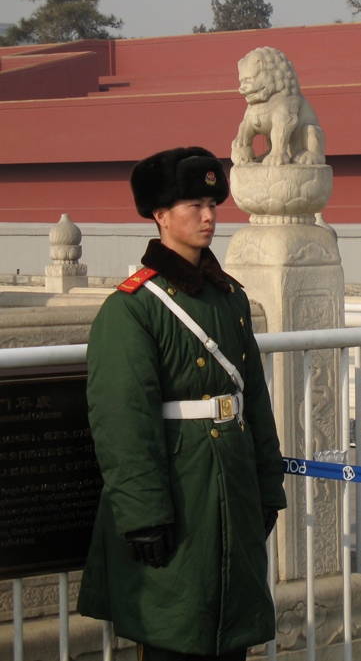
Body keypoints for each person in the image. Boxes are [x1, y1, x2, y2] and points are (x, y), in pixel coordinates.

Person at [77, 146, 287, 661]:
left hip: (231, 482)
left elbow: (253, 398)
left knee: (232, 629)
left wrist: (267, 483)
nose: (209, 216)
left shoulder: (231, 298)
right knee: (176, 627)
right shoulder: (133, 308)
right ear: (159, 215)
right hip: (179, 488)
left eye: (213, 203)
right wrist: (143, 514)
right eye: (193, 205)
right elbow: (123, 421)